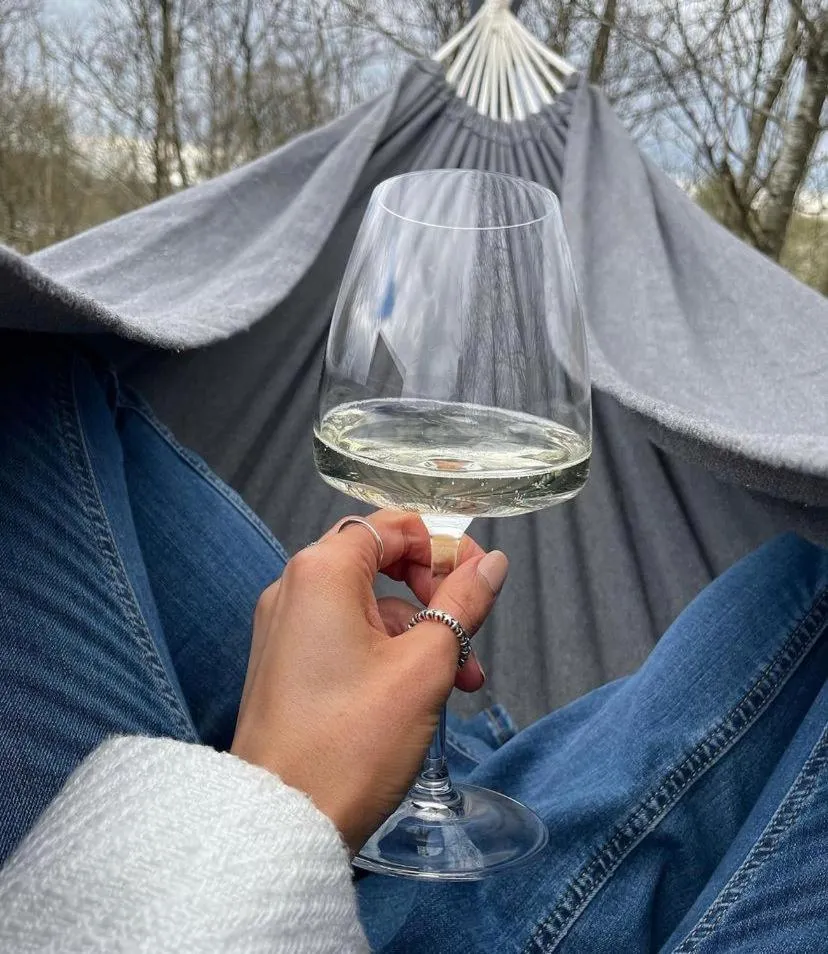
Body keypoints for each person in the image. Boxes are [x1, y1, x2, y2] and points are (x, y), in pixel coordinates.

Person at [0, 333, 826, 953]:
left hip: (129, 873)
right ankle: (443, 784)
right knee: (811, 566)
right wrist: (282, 798)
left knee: (35, 377)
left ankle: (435, 775)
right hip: (255, 900)